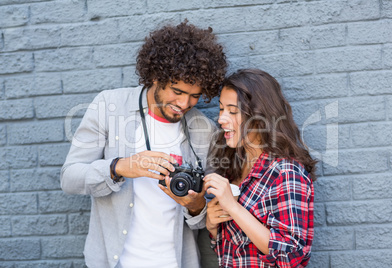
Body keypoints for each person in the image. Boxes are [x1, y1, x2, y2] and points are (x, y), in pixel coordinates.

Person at [60, 20, 227, 268]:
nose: (184, 104)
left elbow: (208, 217)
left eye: (194, 96)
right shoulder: (109, 106)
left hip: (176, 261)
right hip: (114, 262)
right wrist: (119, 167)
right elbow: (69, 178)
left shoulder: (205, 132)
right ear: (156, 77)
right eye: (177, 91)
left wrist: (195, 205)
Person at [204, 69, 316, 267]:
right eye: (221, 109)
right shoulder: (234, 169)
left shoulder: (286, 173)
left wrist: (233, 207)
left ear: (259, 116)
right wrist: (213, 227)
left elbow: (291, 257)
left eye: (232, 110)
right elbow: (236, 252)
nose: (221, 119)